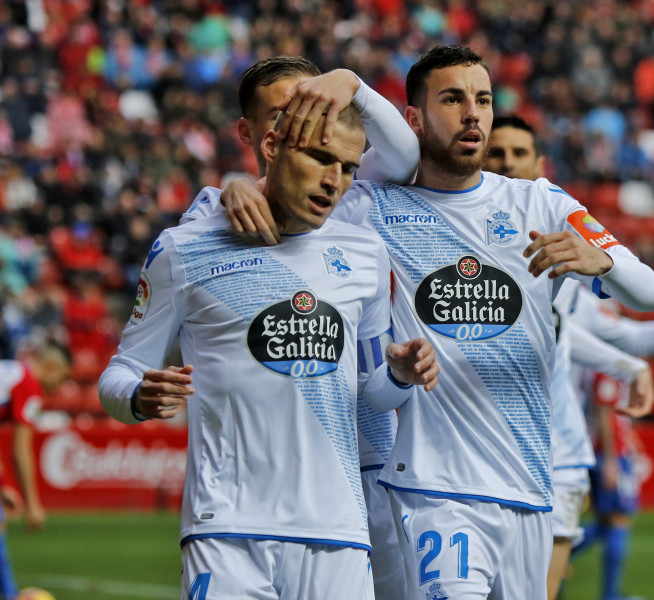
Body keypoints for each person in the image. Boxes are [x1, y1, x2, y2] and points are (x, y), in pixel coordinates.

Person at [209, 46, 654, 599]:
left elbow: (650, 293)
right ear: (415, 117)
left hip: (527, 483)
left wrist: (607, 261)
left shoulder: (540, 203)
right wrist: (237, 186)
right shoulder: (372, 205)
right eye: (452, 99)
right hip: (432, 487)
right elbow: (289, 198)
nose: (472, 113)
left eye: (483, 100)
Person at [99, 105, 439, 599]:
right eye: (321, 158)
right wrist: (137, 396)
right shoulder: (184, 248)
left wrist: (402, 375)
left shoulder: (365, 255)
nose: (334, 181)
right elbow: (120, 372)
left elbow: (373, 396)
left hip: (339, 532)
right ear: (272, 147)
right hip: (226, 529)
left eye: (347, 167)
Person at [181, 55, 421, 599]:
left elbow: (405, 154)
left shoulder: (353, 195)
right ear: (251, 134)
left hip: (377, 452)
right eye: (278, 112)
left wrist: (352, 85)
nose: (293, 119)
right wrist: (231, 187)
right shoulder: (215, 210)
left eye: (309, 103)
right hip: (291, 474)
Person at [486, 113, 654, 600]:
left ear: (540, 165)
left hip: (554, 454)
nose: (507, 163)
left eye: (519, 154)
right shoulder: (451, 245)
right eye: (497, 152)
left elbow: (627, 333)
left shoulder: (563, 263)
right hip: (478, 453)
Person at [0, 342, 71, 600]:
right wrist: (32, 504)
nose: (59, 386)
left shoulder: (10, 372)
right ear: (51, 367)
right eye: (62, 377)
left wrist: (3, 483)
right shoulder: (28, 383)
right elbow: (21, 448)